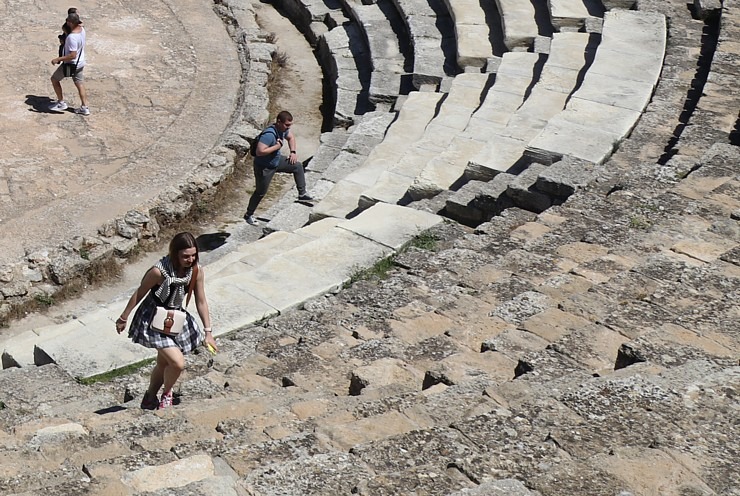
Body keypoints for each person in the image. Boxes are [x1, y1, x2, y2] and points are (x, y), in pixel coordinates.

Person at [115, 232, 218, 410]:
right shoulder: (158, 272)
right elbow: (140, 293)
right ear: (174, 254)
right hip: (152, 318)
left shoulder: (195, 271)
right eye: (185, 256)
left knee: (164, 363)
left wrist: (208, 331)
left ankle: (149, 397)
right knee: (177, 362)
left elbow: (201, 300)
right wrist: (124, 317)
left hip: (174, 317)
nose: (190, 259)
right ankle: (167, 393)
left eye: (194, 255)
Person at [244, 110, 313, 225]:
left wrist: (293, 152)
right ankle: (249, 215)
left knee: (297, 166)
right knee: (260, 192)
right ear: (279, 122)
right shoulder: (269, 135)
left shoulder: (283, 130)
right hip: (264, 167)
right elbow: (260, 151)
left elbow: (291, 137)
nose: (288, 128)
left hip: (276, 161)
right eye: (287, 125)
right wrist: (277, 146)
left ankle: (302, 194)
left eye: (290, 125)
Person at [49, 11, 89, 115]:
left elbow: (72, 55)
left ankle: (61, 103)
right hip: (80, 63)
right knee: (79, 84)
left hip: (71, 64)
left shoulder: (72, 37)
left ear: (70, 22)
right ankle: (84, 107)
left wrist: (58, 59)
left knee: (54, 79)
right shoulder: (82, 30)